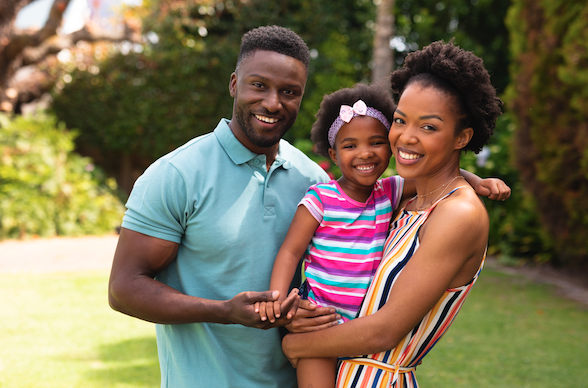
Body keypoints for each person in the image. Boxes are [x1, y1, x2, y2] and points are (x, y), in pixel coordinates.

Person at [107, 25, 340, 388]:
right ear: (234, 84)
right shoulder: (176, 174)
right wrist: (224, 312)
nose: (273, 103)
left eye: (289, 92)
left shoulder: (314, 182)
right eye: (259, 85)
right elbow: (123, 288)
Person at [280, 40, 506, 388]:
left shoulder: (457, 213)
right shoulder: (398, 200)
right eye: (400, 121)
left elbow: (384, 330)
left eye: (428, 127)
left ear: (462, 137)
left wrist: (295, 342)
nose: (406, 138)